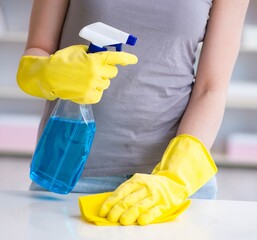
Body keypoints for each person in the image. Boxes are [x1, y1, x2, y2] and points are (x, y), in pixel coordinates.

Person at [17, 0, 249, 225]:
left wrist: (174, 179)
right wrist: (49, 71)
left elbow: (211, 89)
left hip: (167, 189)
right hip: (68, 173)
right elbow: (37, 50)